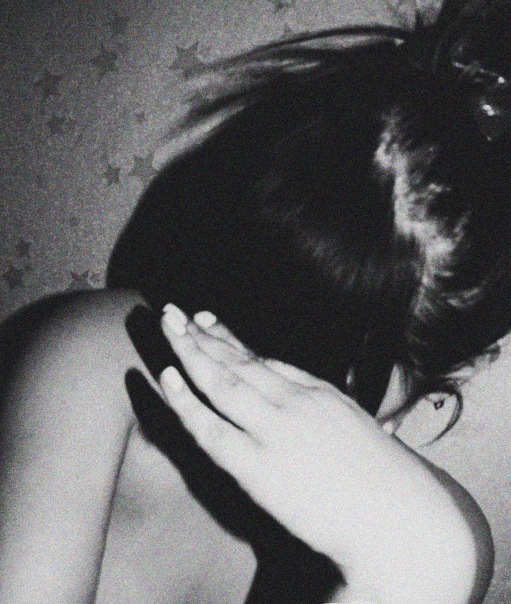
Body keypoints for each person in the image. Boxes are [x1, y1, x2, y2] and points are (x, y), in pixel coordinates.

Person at [0, 1, 509, 601]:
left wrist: (408, 573)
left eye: (350, 358)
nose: (272, 363)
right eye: (284, 305)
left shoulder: (435, 540)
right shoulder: (98, 358)